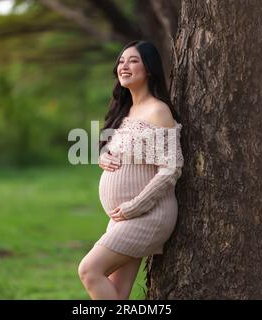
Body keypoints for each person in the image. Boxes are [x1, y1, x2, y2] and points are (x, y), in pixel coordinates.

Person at [78, 40, 184, 300]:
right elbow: (123, 151)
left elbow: (171, 168)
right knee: (118, 293)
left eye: (133, 60)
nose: (124, 66)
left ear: (149, 69)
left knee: (89, 270)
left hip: (147, 214)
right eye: (121, 61)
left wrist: (134, 207)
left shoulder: (158, 110)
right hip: (123, 217)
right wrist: (104, 157)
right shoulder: (126, 111)